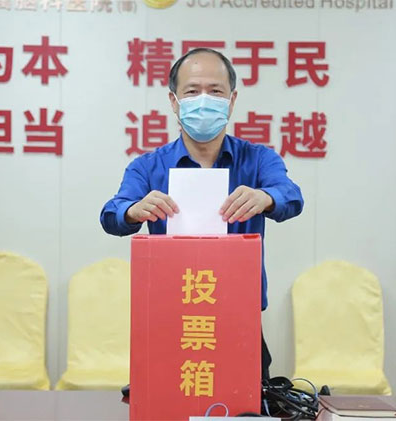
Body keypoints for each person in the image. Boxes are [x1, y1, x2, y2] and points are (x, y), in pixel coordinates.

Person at [100, 48, 304, 379]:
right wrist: (133, 210)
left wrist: (266, 197)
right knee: (168, 399)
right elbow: (111, 214)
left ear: (232, 100)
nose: (204, 100)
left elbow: (291, 197)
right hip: (170, 318)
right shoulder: (148, 166)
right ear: (174, 100)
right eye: (193, 91)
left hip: (240, 317)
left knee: (246, 402)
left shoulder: (258, 160)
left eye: (216, 91)